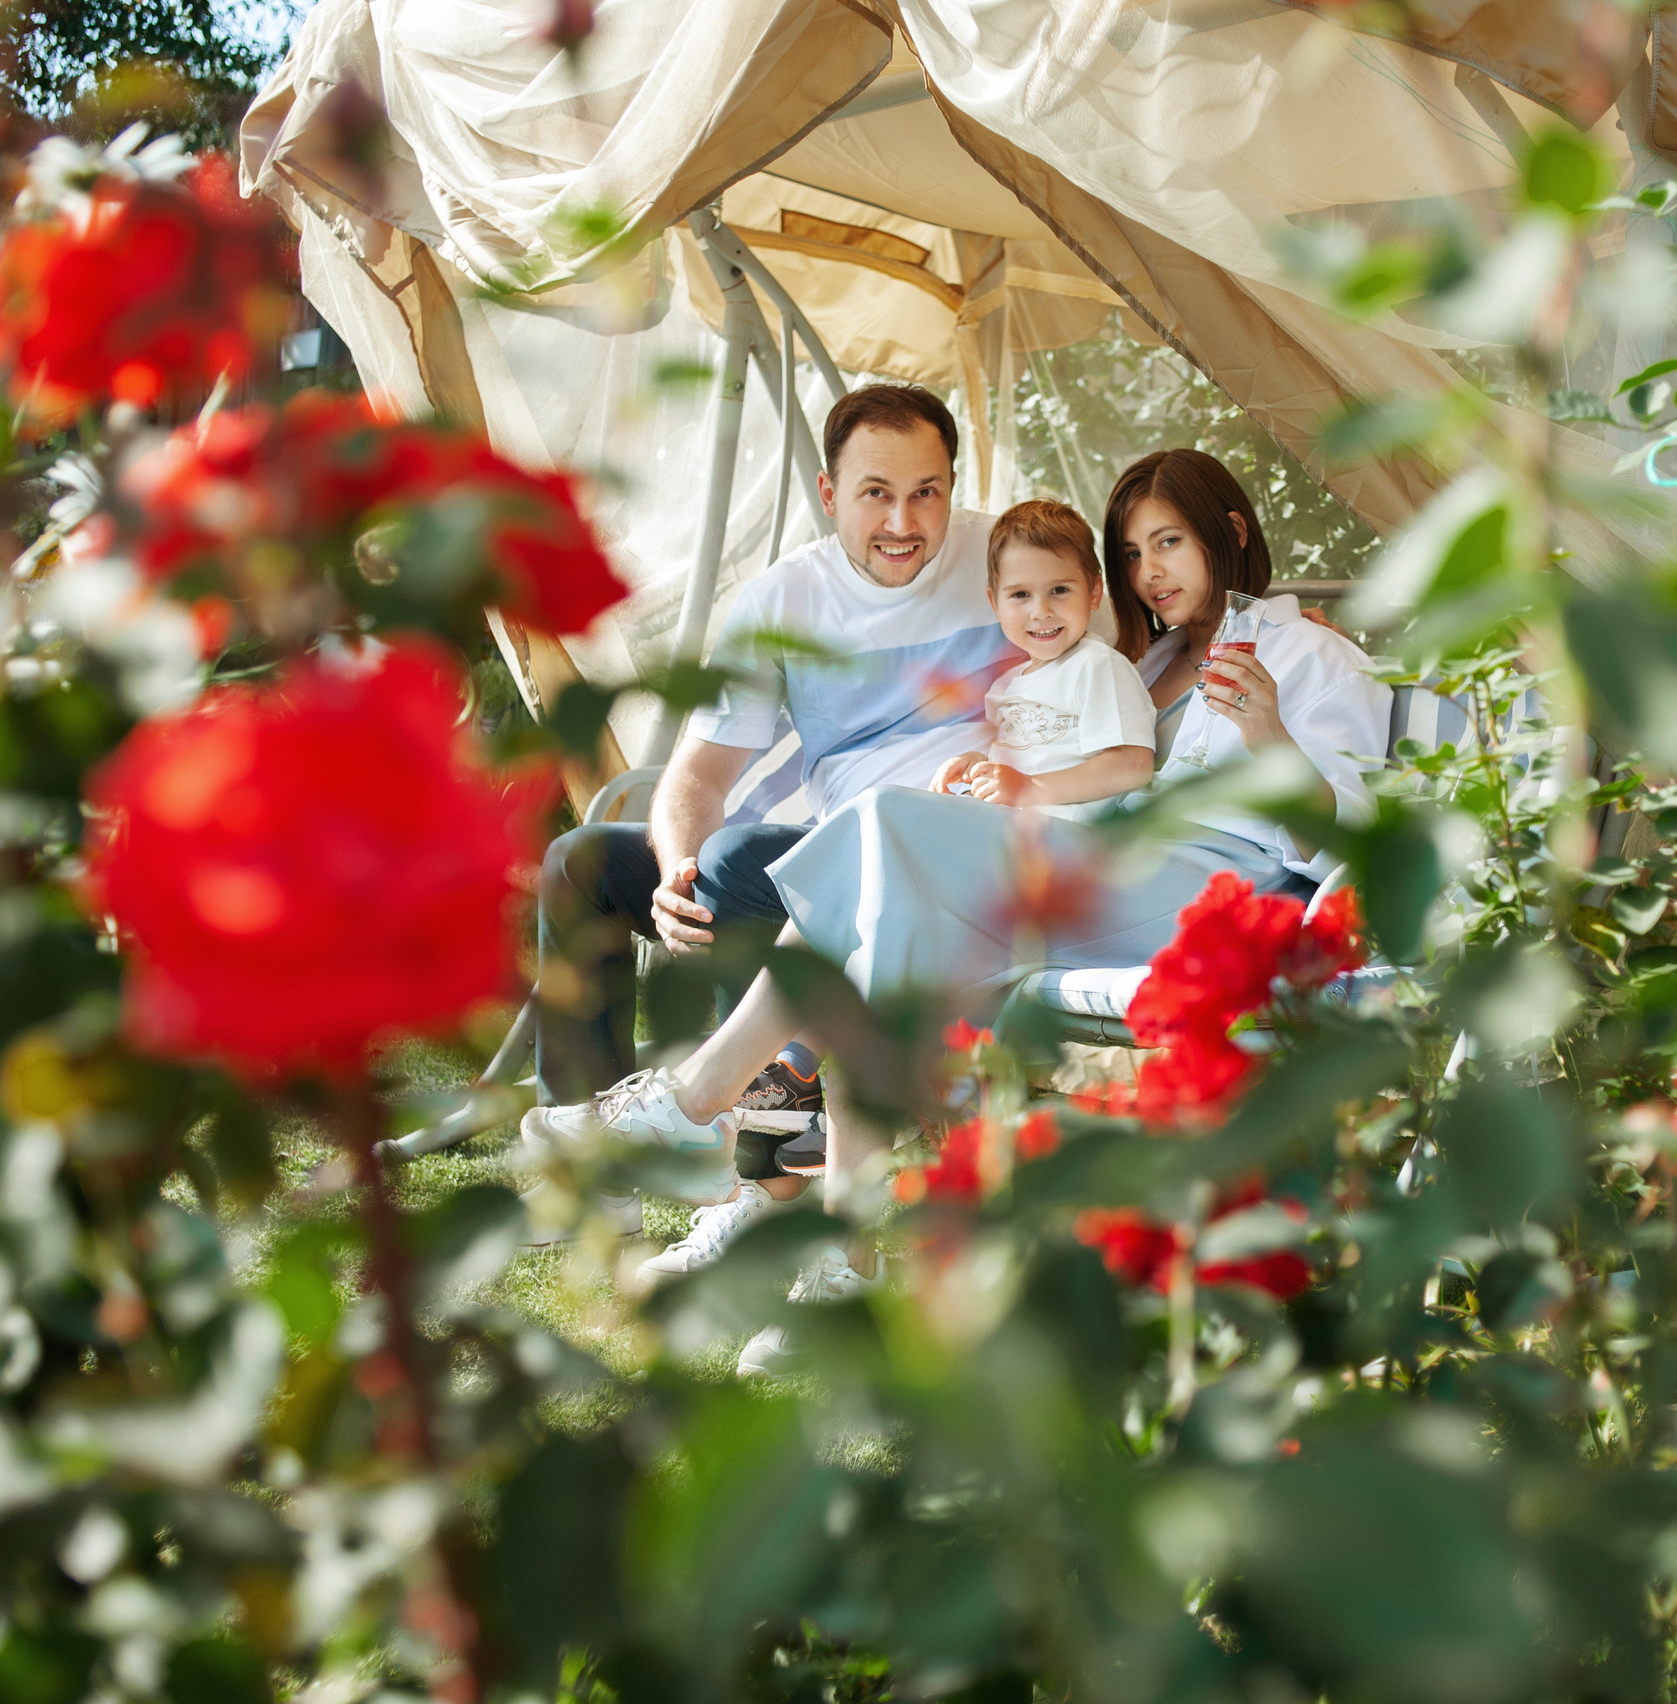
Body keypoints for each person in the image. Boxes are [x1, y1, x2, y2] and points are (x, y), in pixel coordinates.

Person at [542, 447, 1404, 1374]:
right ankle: (843, 1253)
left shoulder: (1310, 652)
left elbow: (1357, 844)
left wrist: (1272, 738)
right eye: (1135, 551)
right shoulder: (1146, 659)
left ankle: (702, 1101)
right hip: (1101, 871)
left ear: (1231, 534)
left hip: (1207, 890)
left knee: (883, 830)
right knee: (886, 897)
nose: (1152, 571)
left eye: (1172, 542)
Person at [526, 383, 1015, 1256]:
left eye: (928, 491)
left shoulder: (1006, 563)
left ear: (954, 483)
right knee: (582, 863)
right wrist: (675, 873)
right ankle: (603, 1172)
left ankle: (749, 1157)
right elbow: (696, 776)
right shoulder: (781, 604)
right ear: (828, 495)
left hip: (947, 862)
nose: (904, 520)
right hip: (831, 858)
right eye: (876, 493)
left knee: (742, 858)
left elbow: (1119, 650)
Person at [928, 499, 1155, 821]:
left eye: (1059, 589)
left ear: (1093, 592)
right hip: (1012, 831)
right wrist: (979, 766)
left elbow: (1132, 765)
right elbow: (1024, 758)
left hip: (1071, 836)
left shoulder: (1096, 666)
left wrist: (1030, 786)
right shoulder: (1005, 685)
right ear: (995, 603)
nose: (1041, 612)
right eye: (1020, 595)